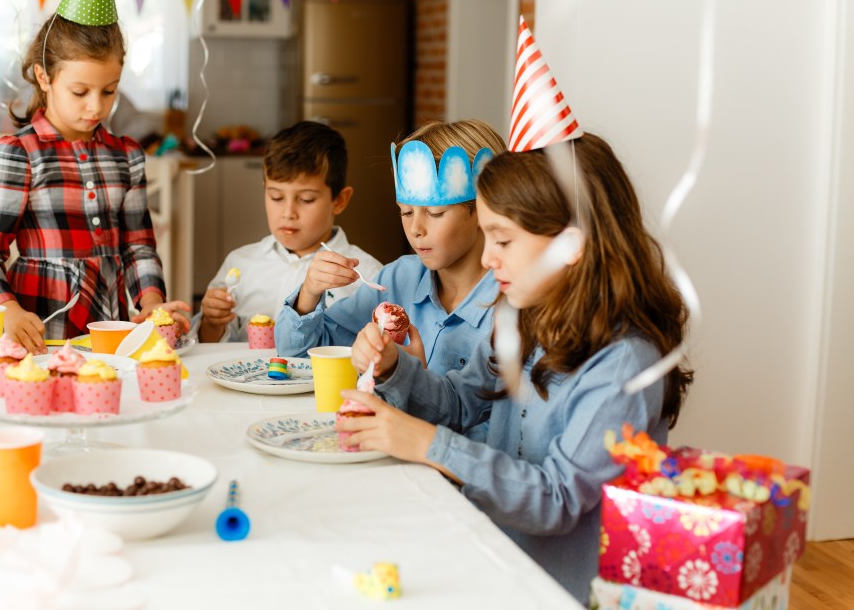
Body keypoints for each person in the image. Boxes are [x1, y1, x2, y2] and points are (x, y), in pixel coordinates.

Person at [338, 136, 693, 604]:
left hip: (559, 591)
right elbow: (461, 404)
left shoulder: (623, 363)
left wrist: (426, 444)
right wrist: (392, 370)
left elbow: (559, 501)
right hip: (491, 555)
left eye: (503, 239)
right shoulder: (523, 317)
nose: (488, 258)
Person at [0, 0, 189, 355]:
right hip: (40, 333)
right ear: (44, 77)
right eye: (80, 91)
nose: (96, 106)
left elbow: (138, 247)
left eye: (110, 91)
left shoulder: (127, 155)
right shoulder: (17, 154)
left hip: (110, 332)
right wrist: (8, 310)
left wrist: (151, 303)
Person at [275, 119, 504, 377]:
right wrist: (309, 294)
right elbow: (300, 358)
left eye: (435, 213)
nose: (416, 228)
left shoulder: (511, 302)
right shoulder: (397, 280)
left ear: (485, 209)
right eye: (406, 212)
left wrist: (408, 376)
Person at [190, 121, 382, 343]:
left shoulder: (368, 277)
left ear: (339, 201)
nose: (288, 213)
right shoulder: (240, 263)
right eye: (276, 197)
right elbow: (209, 347)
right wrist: (212, 322)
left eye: (306, 199)